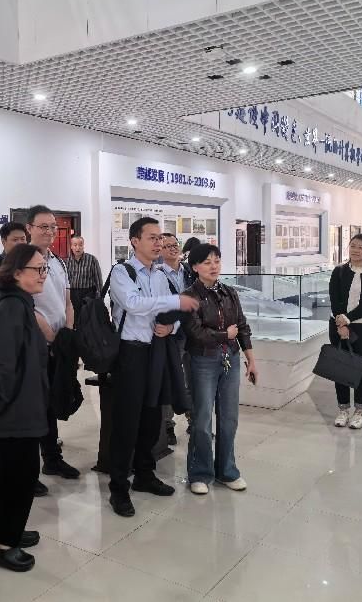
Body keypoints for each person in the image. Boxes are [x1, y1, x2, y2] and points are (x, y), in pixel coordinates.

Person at [107, 217, 199, 517]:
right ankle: (118, 488)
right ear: (135, 241)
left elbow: (175, 315)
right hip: (130, 354)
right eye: (152, 237)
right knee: (126, 423)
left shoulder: (160, 276)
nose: (158, 243)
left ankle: (145, 475)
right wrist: (172, 301)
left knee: (151, 418)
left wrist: (170, 327)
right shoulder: (122, 272)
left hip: (156, 352)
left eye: (160, 238)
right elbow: (133, 304)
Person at [0, 244, 50, 572]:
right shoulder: (10, 308)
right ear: (17, 273)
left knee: (17, 471)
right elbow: (0, 362)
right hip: (12, 409)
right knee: (19, 473)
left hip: (21, 404)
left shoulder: (19, 302)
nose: (43, 275)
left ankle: (11, 531)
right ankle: (4, 544)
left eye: (45, 268)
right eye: (38, 269)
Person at [182, 243, 256, 495]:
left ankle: (227, 471)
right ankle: (199, 473)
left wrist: (251, 359)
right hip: (202, 360)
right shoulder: (189, 296)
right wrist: (226, 334)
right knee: (202, 419)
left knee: (229, 418)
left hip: (230, 359)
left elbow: (242, 326)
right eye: (207, 262)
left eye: (216, 261)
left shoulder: (229, 292)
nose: (213, 266)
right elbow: (196, 332)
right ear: (195, 267)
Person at [25, 205, 80, 489]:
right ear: (29, 228)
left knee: (52, 402)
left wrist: (66, 335)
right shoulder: (22, 261)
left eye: (52, 227)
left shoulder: (58, 262)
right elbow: (25, 306)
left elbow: (67, 302)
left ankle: (52, 458)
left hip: (59, 345)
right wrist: (50, 337)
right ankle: (28, 473)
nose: (49, 231)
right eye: (43, 226)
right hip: (36, 346)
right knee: (34, 408)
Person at [329, 233, 362, 430]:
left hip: (361, 326)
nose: (356, 250)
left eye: (361, 247)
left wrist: (348, 319)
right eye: (353, 246)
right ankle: (343, 409)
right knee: (340, 367)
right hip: (337, 325)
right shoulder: (339, 271)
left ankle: (359, 411)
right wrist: (341, 323)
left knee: (360, 367)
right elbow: (334, 299)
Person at [157, 233, 188, 446]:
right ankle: (168, 425)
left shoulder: (190, 272)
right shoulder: (158, 275)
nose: (172, 248)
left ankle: (194, 419)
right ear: (160, 250)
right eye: (167, 246)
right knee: (170, 379)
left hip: (193, 333)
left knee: (194, 379)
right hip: (171, 335)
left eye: (175, 245)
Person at [0, 221, 28, 316]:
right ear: (4, 242)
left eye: (23, 239)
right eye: (15, 240)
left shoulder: (30, 262)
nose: (20, 243)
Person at [65, 234, 103, 324]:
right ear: (71, 246)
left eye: (80, 245)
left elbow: (98, 278)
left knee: (87, 319)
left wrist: (100, 295)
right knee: (74, 318)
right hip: (72, 294)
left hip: (88, 293)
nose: (77, 248)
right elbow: (64, 280)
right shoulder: (67, 261)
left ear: (83, 246)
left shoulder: (92, 259)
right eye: (75, 245)